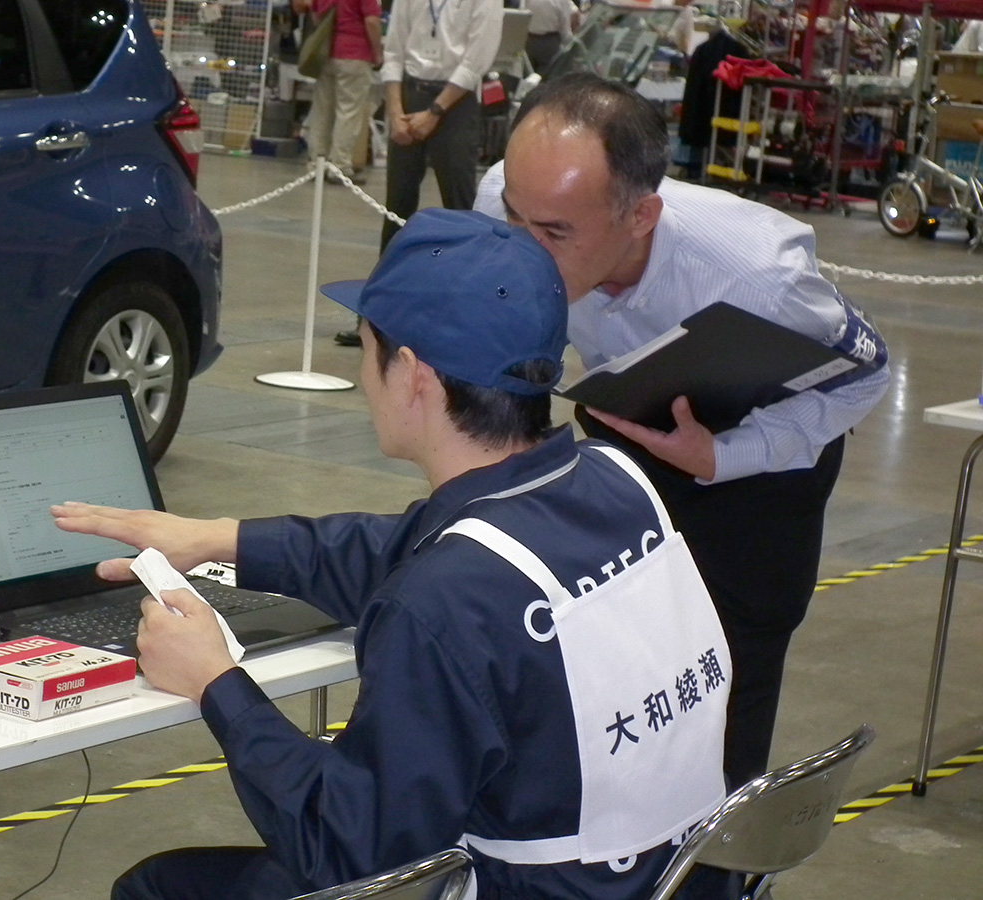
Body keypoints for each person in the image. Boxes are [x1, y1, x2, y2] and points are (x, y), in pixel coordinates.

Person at [53, 209, 734, 900]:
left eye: (367, 344)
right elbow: (401, 548)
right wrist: (218, 539)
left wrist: (214, 682)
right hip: (668, 879)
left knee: (160, 889)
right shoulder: (614, 481)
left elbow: (347, 856)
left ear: (412, 374)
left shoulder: (440, 600)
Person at [474, 73, 890, 791]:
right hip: (629, 419)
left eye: (554, 233)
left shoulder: (757, 274)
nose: (525, 250)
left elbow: (866, 372)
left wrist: (724, 455)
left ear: (640, 217)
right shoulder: (512, 198)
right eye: (516, 218)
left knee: (727, 686)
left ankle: (719, 870)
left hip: (758, 468)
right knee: (610, 656)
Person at [334, 0, 502, 348]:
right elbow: (393, 51)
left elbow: (475, 62)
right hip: (409, 96)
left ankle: (459, 319)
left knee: (461, 211)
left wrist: (435, 112)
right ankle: (378, 316)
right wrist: (395, 111)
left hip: (455, 103)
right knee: (396, 211)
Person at [293, 0, 383, 185]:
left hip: (327, 55)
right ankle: (340, 166)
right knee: (348, 113)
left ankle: (316, 164)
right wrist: (378, 53)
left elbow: (317, 17)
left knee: (322, 111)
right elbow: (372, 22)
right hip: (355, 55)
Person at [524, 0, 578, 76]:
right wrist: (573, 48)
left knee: (528, 75)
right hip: (549, 43)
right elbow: (565, 30)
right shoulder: (562, 1)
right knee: (548, 76)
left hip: (528, 40)